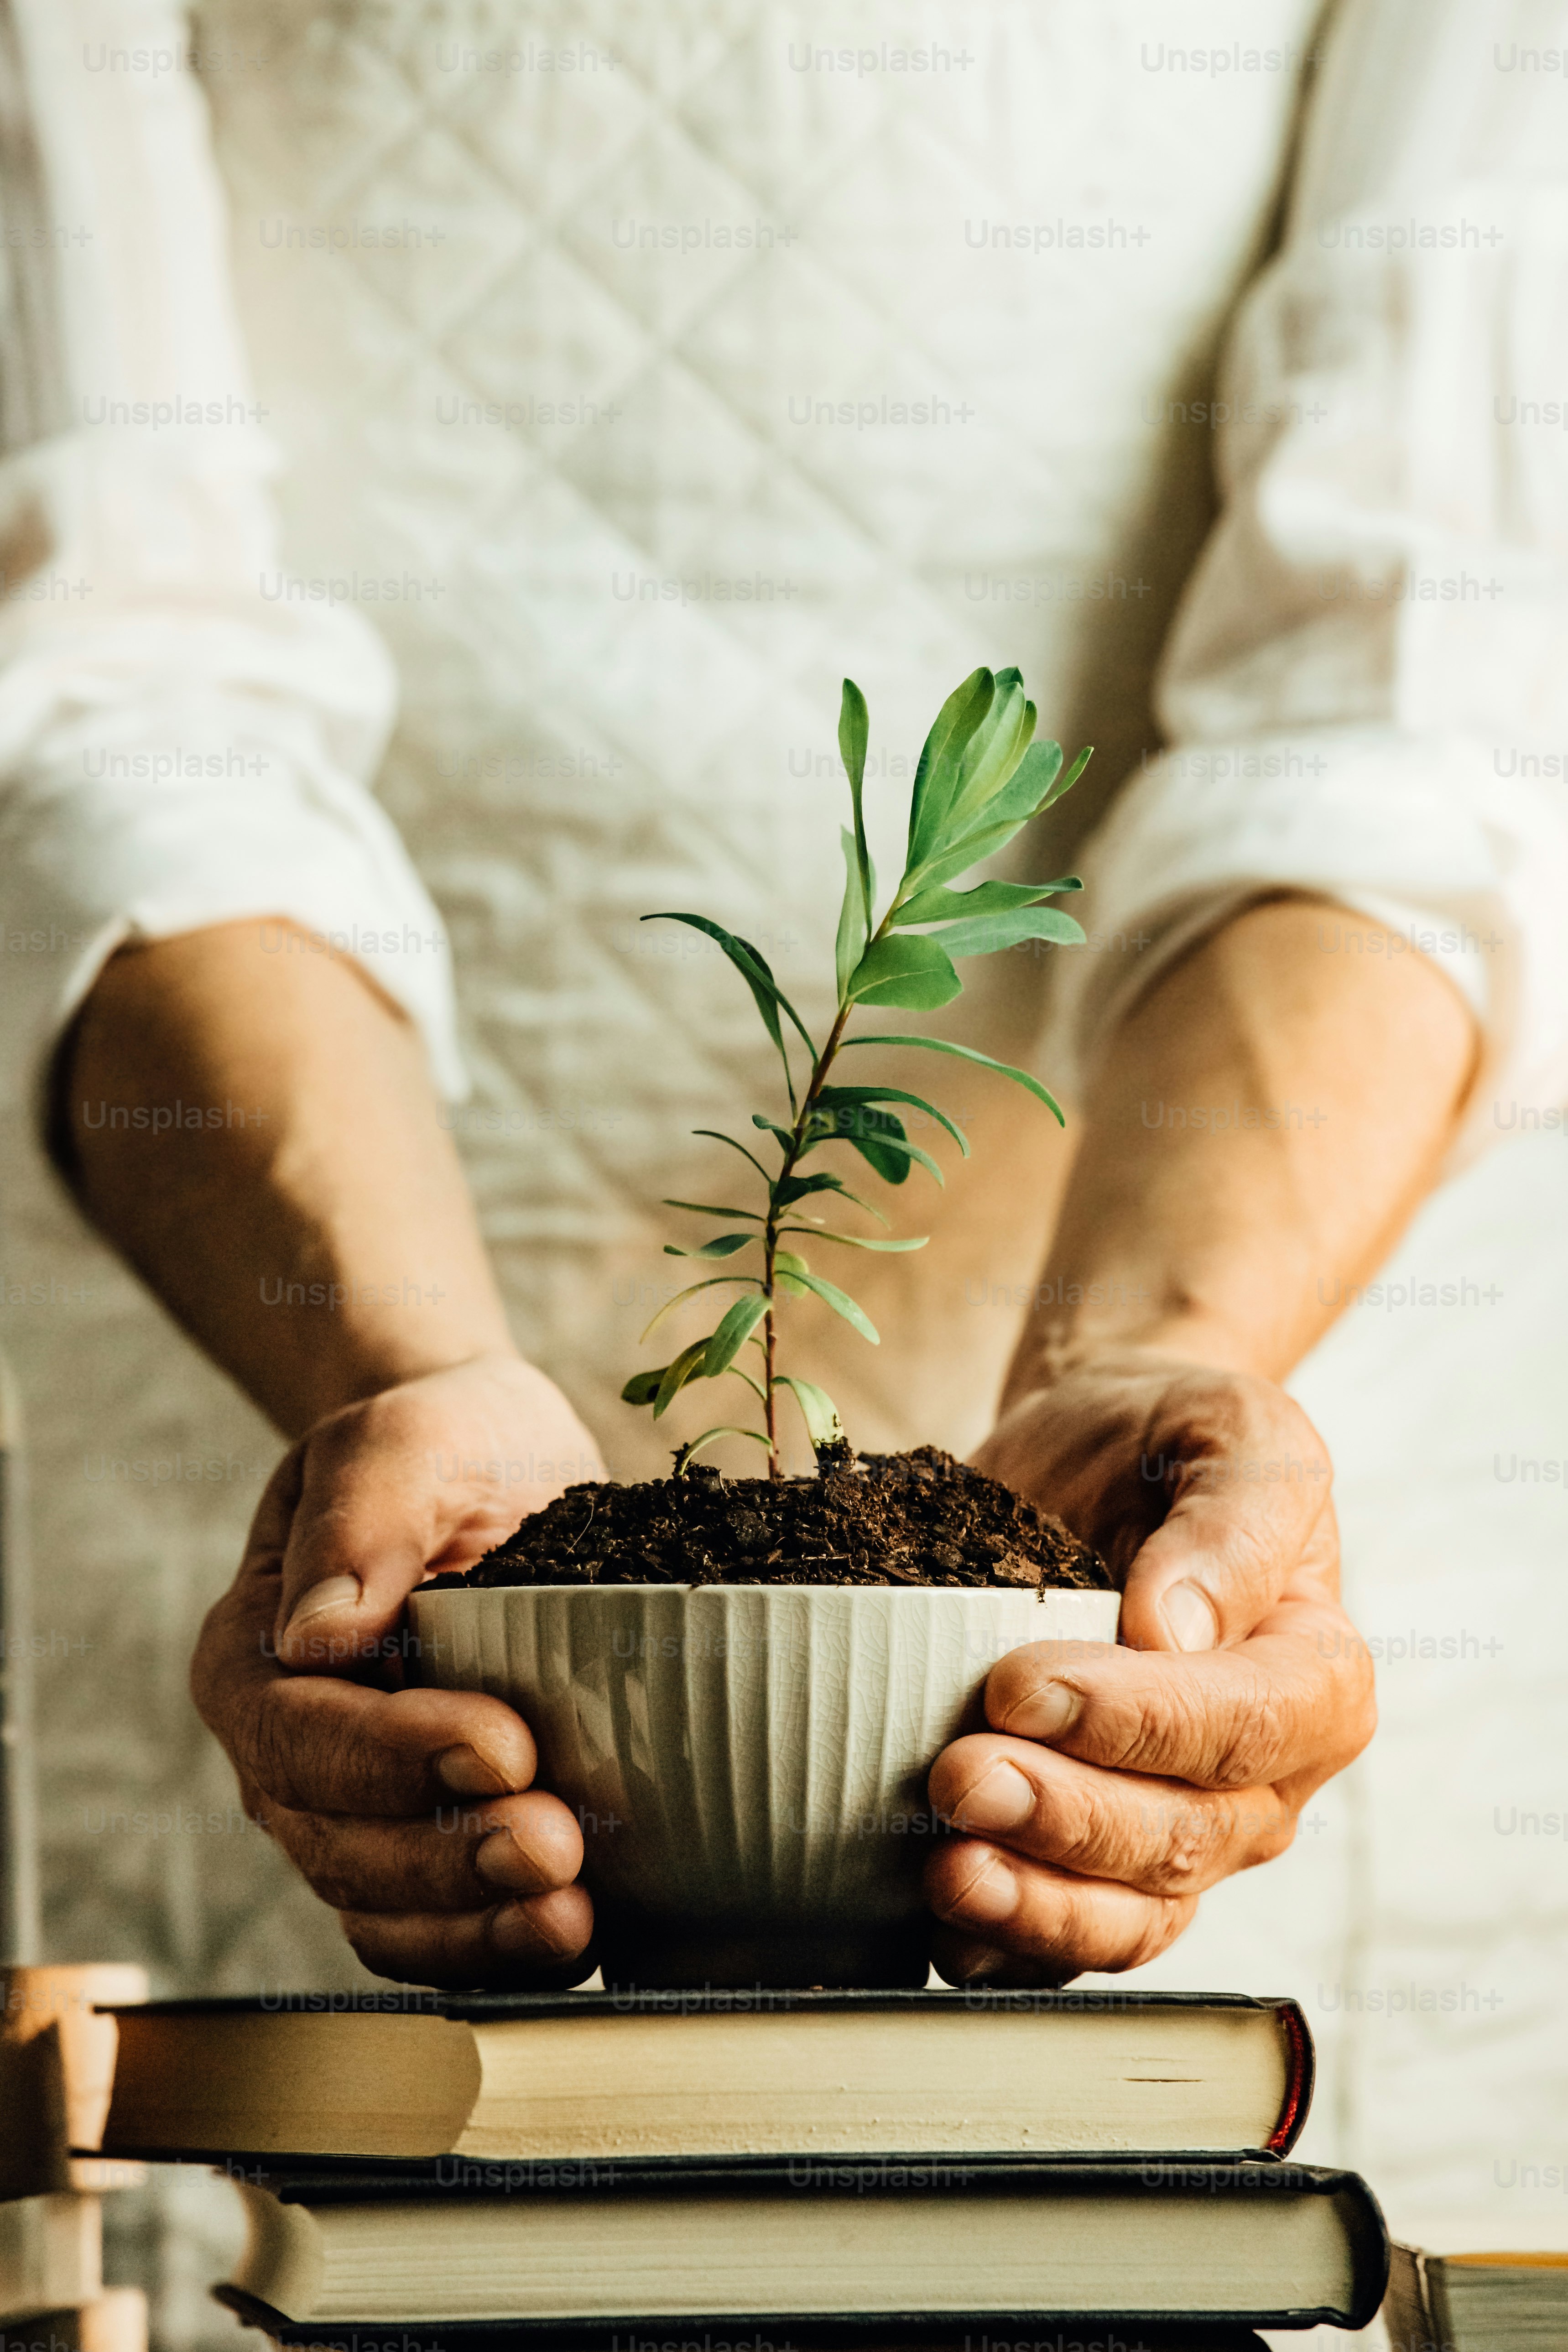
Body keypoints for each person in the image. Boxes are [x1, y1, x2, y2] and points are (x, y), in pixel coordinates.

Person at [2, 0, 1566, 2262]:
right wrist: (396, 1366)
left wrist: (1160, 1350)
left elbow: (1420, 690)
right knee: (286, 2226)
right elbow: (95, 676)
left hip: (1251, 1331)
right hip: (278, 1388)